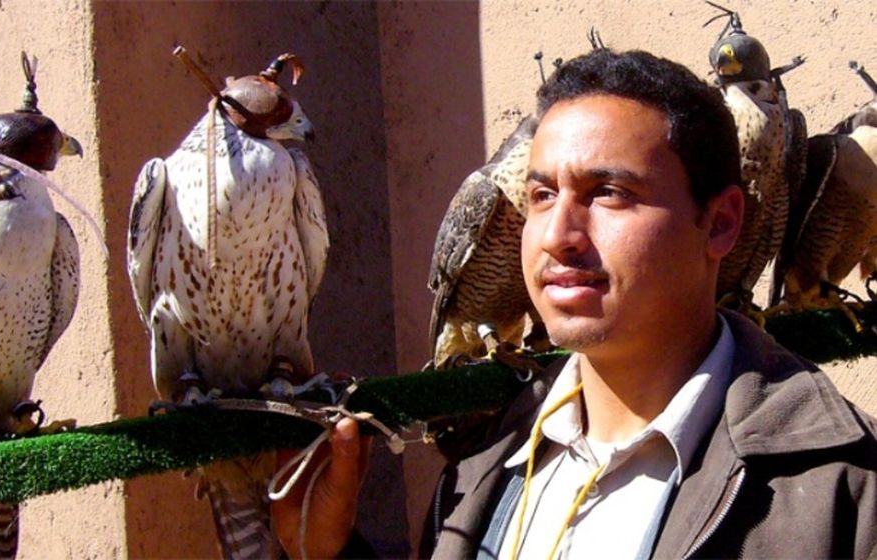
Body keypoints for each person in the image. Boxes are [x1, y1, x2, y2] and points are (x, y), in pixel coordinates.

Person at [272, 48, 877, 559]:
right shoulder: (484, 462)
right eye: (540, 194)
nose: (559, 234)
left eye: (608, 193)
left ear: (720, 224)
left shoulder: (841, 491)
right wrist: (327, 553)